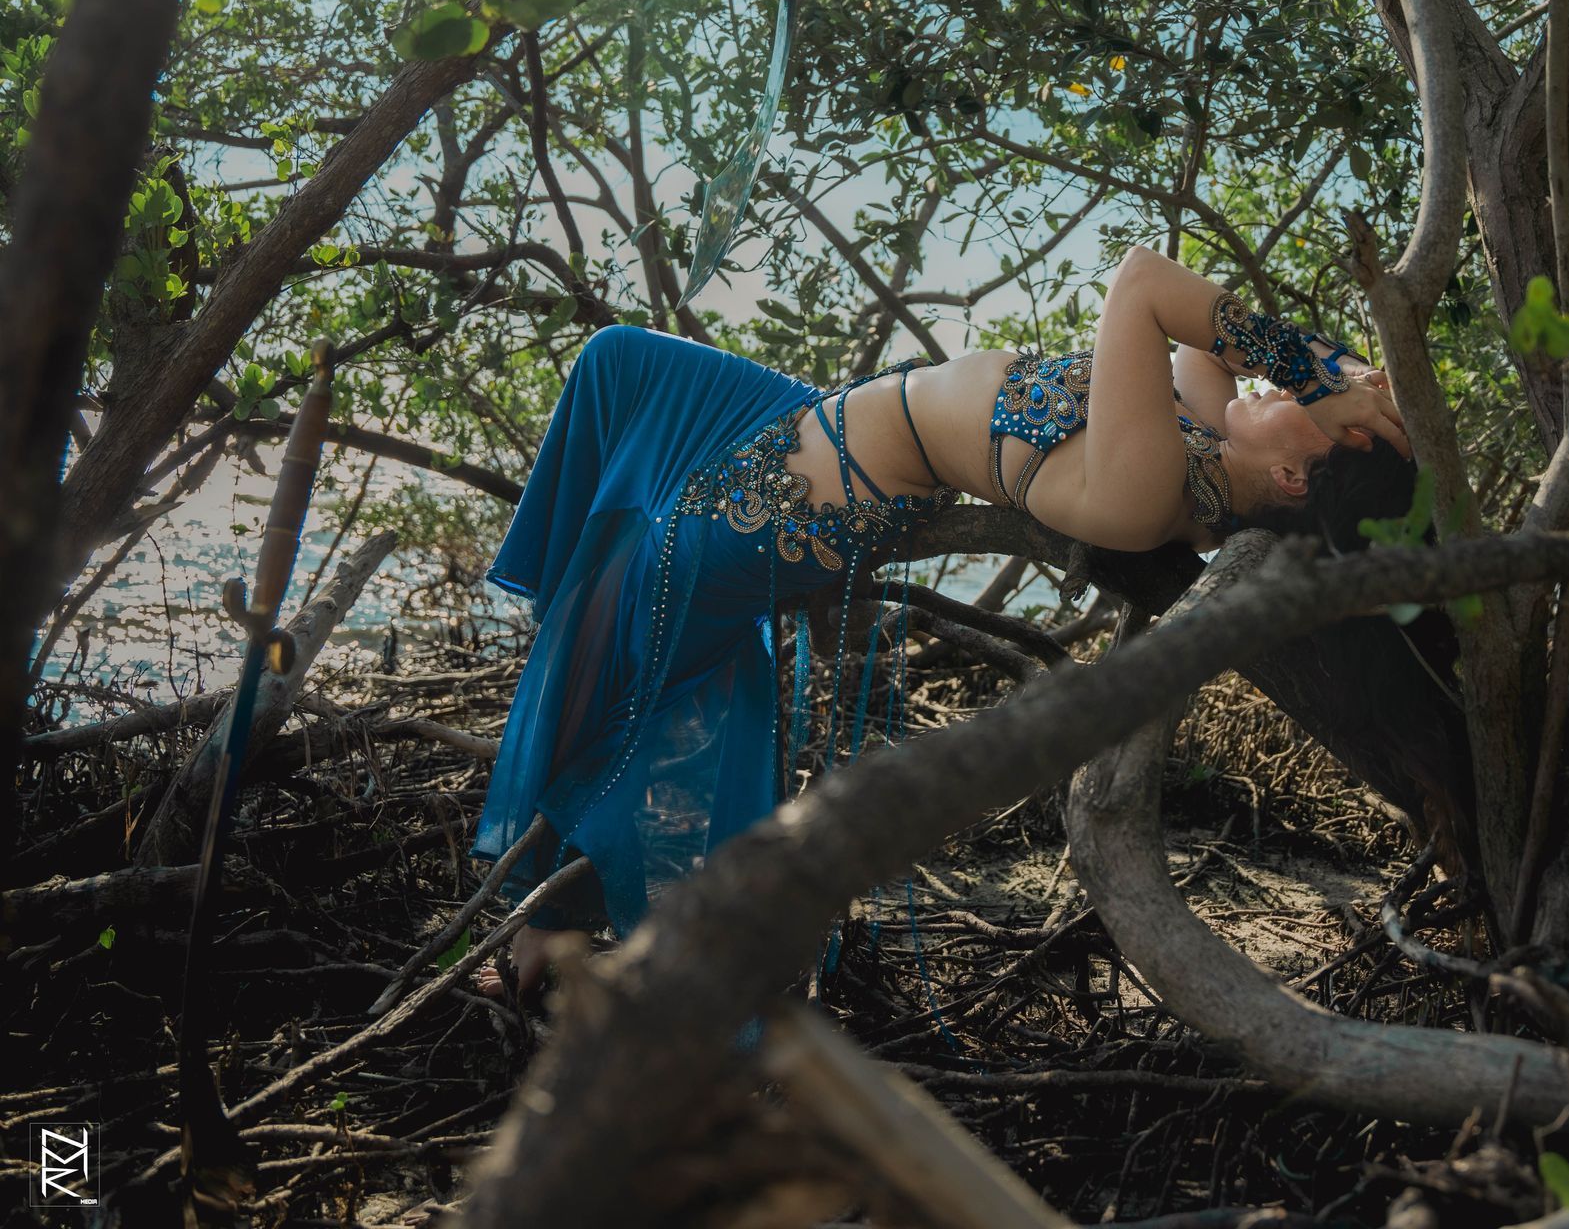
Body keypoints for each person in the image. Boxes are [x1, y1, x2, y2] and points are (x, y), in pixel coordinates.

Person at [469, 243, 1411, 996]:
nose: (1280, 391)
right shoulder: (1201, 442)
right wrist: (1353, 385)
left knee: (615, 649)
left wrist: (1320, 374)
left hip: (806, 485)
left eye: (1303, 412)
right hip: (803, 414)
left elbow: (1144, 282)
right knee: (615, 361)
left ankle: (546, 925)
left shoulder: (1144, 485)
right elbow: (1208, 347)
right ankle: (553, 896)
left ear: (1293, 477)